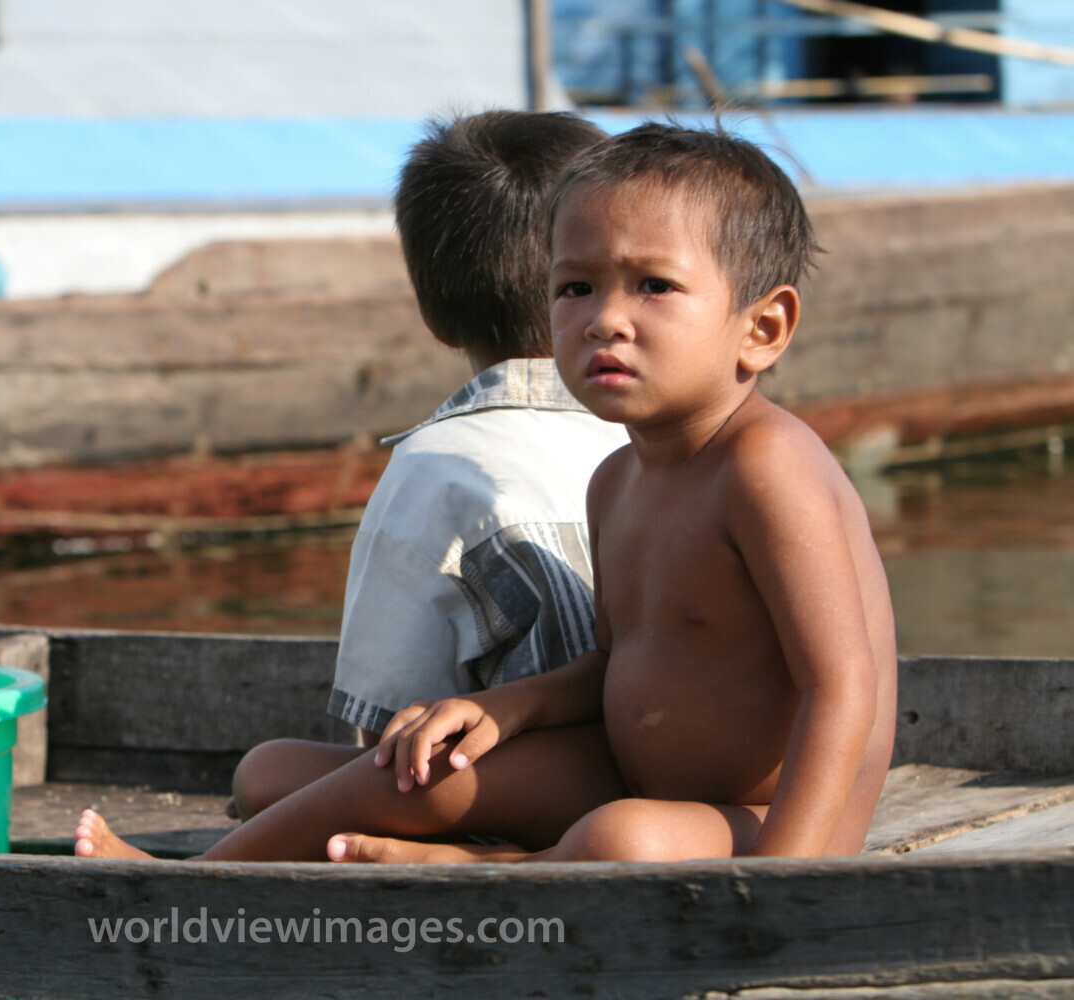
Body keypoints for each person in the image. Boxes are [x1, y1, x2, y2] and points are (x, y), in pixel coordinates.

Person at [73, 122, 896, 864]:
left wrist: (788, 877)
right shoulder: (618, 477)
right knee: (369, 774)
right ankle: (208, 880)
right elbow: (615, 659)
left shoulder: (767, 468)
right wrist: (508, 709)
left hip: (761, 818)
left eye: (653, 285)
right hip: (621, 772)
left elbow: (844, 686)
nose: (605, 319)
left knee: (621, 840)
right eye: (576, 287)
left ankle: (478, 871)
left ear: (763, 329)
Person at [223, 109, 626, 822]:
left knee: (266, 772)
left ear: (435, 317)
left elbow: (387, 739)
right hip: (671, 775)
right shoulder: (657, 431)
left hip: (538, 801)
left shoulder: (434, 465)